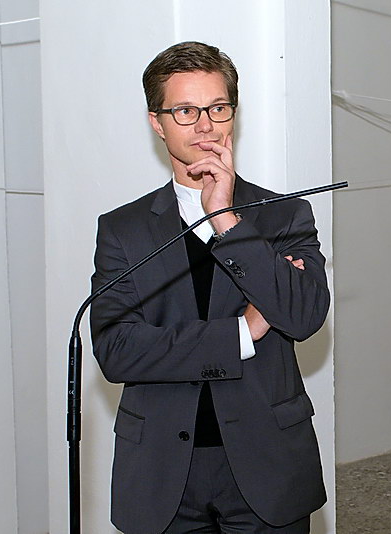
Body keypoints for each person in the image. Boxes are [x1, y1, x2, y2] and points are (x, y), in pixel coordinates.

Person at [90, 41, 329, 534]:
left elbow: (303, 316)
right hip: (160, 472)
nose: (205, 125)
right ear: (157, 123)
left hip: (268, 465)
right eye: (185, 111)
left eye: (218, 108)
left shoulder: (284, 215)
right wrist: (241, 333)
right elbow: (116, 350)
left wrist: (224, 218)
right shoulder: (123, 229)